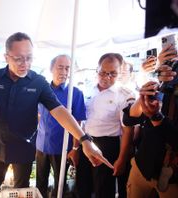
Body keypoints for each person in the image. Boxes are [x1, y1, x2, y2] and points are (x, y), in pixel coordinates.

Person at [0, 32, 113, 192]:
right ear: (6, 57)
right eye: (18, 58)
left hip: (24, 149)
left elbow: (59, 110)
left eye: (29, 58)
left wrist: (84, 140)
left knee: (22, 191)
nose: (24, 64)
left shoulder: (38, 82)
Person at [76, 53, 135, 198]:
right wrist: (76, 147)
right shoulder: (88, 89)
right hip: (86, 141)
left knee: (103, 190)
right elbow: (81, 121)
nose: (106, 77)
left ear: (120, 73)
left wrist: (121, 159)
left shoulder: (125, 95)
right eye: (103, 72)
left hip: (108, 145)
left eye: (112, 74)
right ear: (97, 69)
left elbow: (127, 131)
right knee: (82, 187)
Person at [123, 52, 178, 198]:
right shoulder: (168, 73)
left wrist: (156, 117)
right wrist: (143, 96)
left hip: (173, 178)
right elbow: (130, 118)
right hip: (142, 166)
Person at [36, 54, 86, 198]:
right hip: (41, 146)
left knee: (60, 186)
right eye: (60, 67)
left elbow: (79, 123)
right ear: (51, 68)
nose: (64, 72)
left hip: (62, 148)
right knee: (40, 184)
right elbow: (38, 115)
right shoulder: (42, 90)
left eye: (67, 68)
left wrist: (75, 148)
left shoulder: (75, 94)